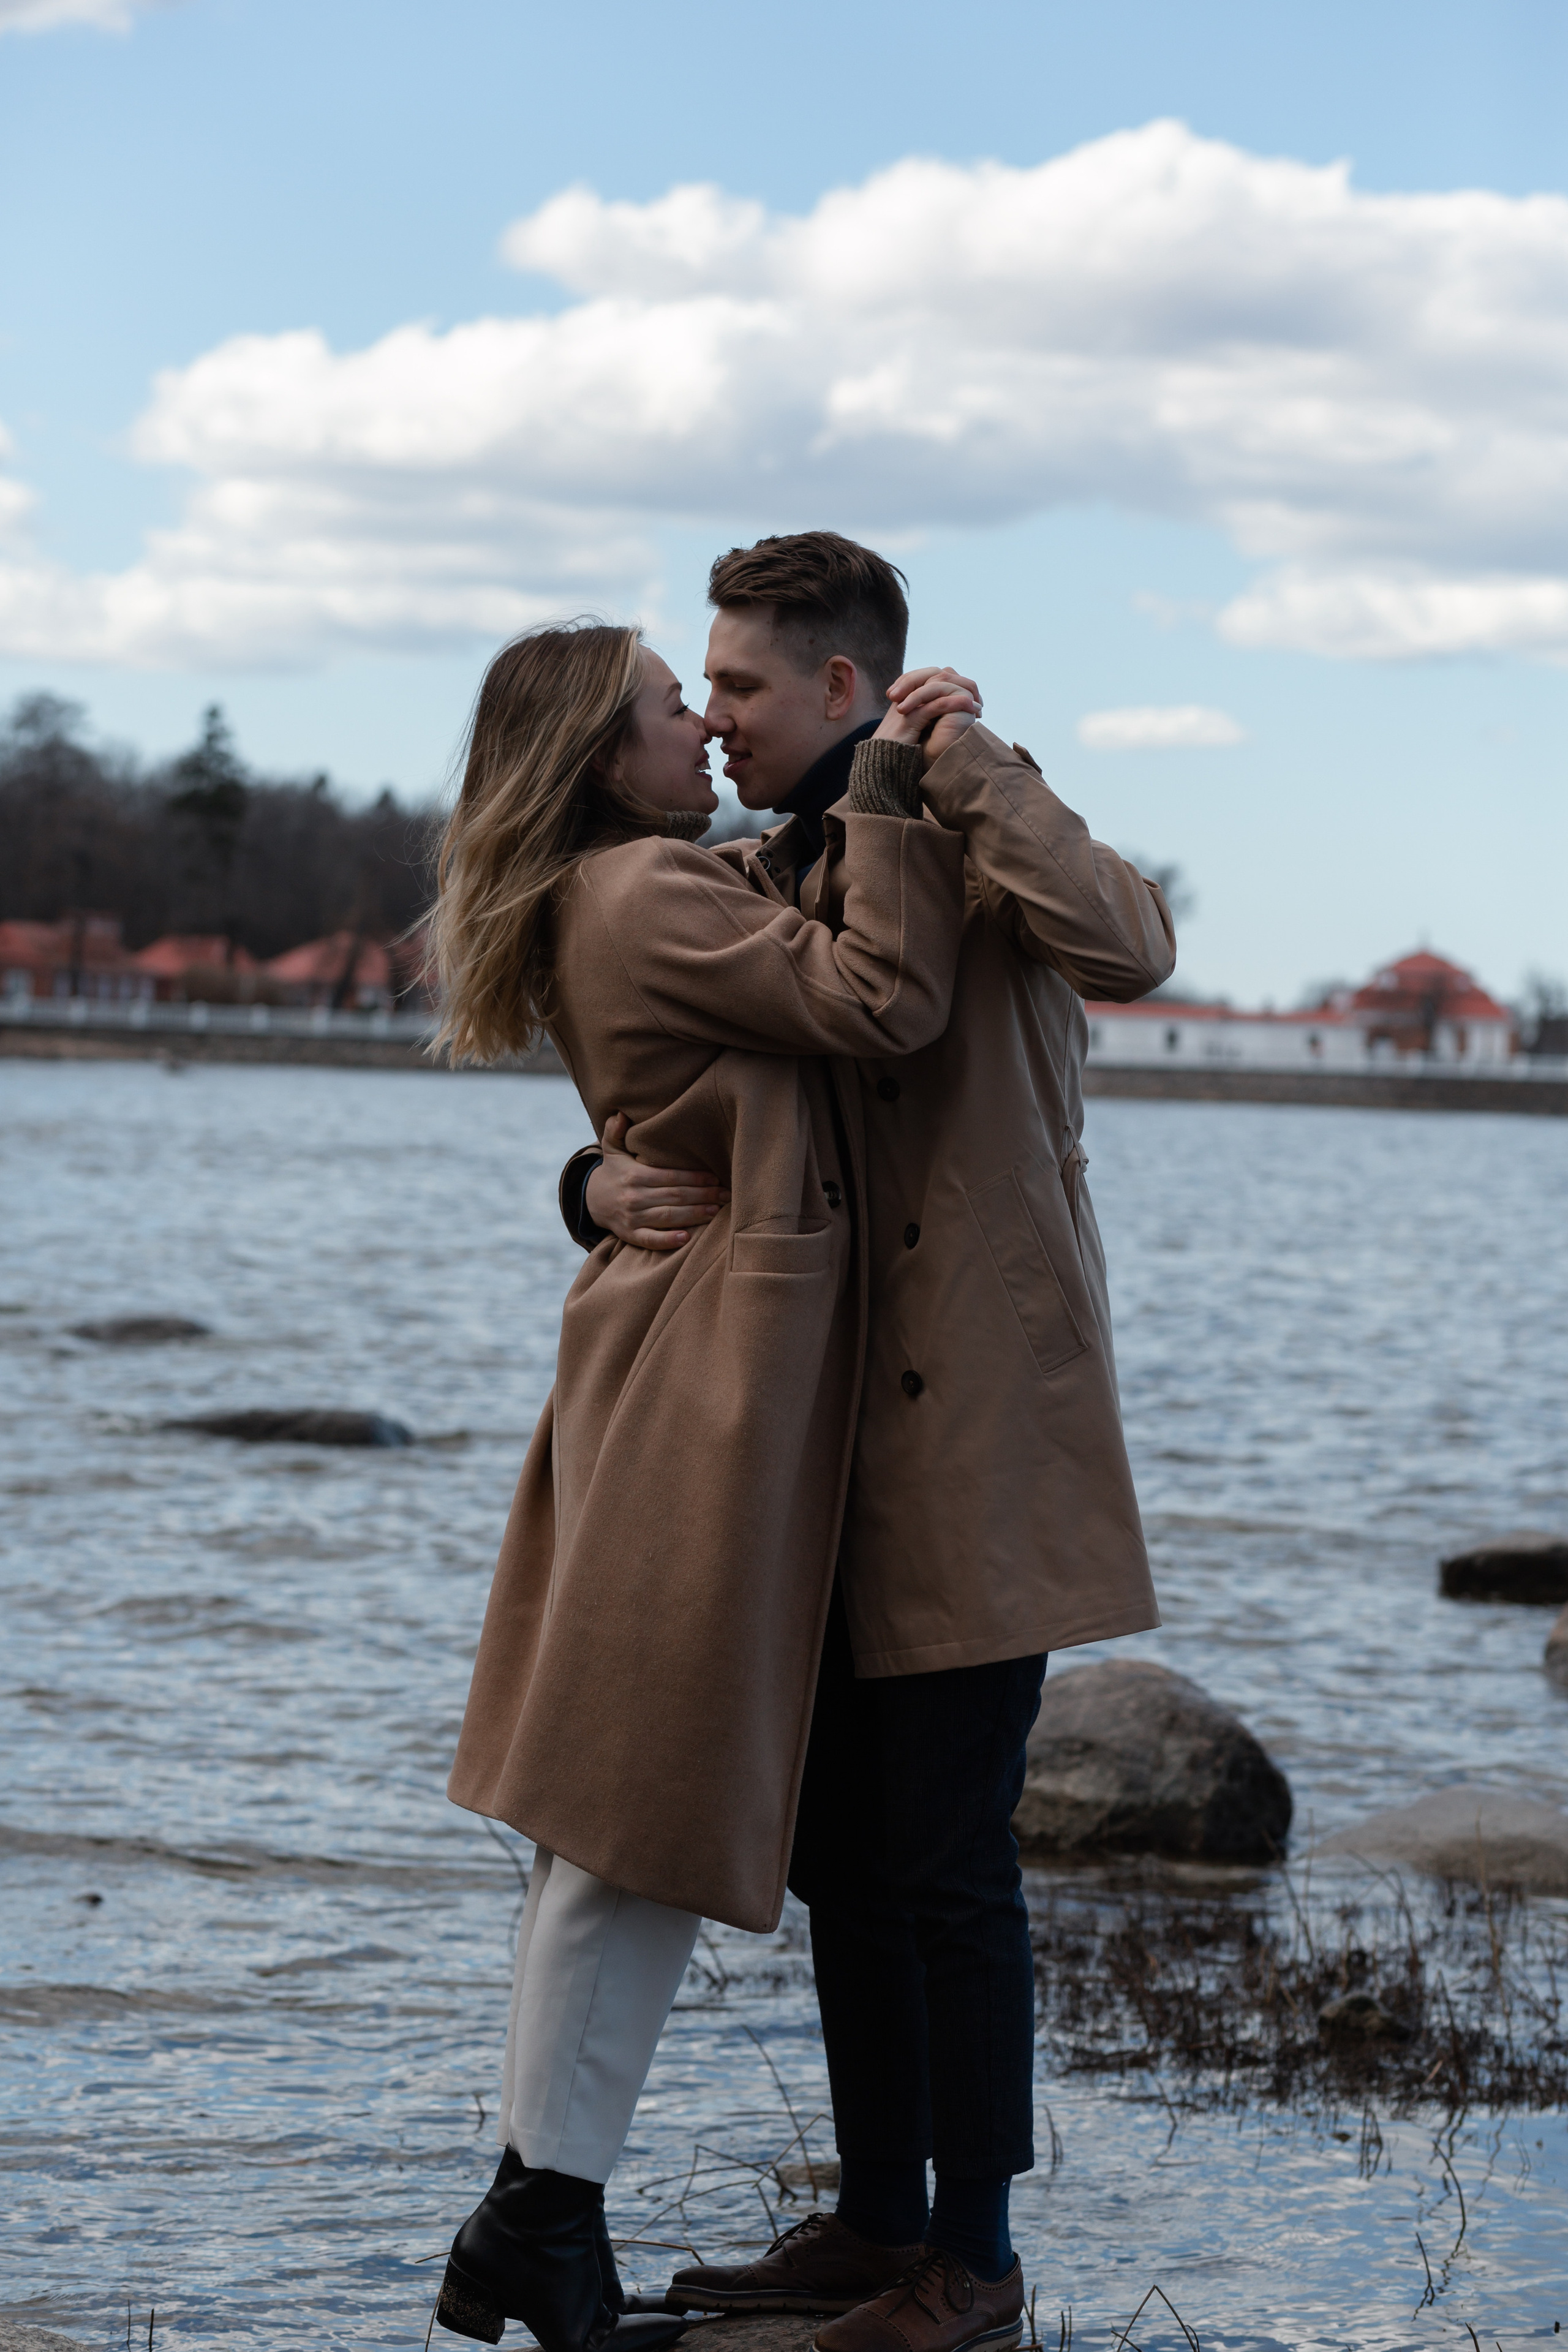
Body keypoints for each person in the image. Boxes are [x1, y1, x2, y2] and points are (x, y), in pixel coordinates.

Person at [561, 534, 1177, 2352]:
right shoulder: (759, 872)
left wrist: (974, 763)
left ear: (844, 685)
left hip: (982, 1423)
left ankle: (973, 2267)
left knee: (950, 1858)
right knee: (842, 1847)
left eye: (740, 685)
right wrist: (587, 1181)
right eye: (705, 690)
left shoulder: (979, 822)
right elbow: (685, 1085)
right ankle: (880, 2218)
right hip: (810, 1435)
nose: (718, 715)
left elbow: (1134, 947)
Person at [429, 617, 978, 2350]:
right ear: (605, 756)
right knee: (629, 1811)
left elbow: (732, 1007)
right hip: (700, 1386)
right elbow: (882, 995)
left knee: (620, 1813)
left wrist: (587, 1179)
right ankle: (538, 2218)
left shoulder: (651, 885)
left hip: (681, 1360)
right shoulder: (650, 896)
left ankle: (538, 2220)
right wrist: (887, 780)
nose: (700, 730)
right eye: (676, 709)